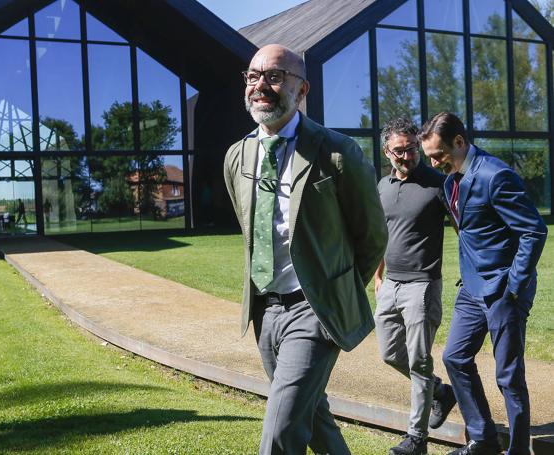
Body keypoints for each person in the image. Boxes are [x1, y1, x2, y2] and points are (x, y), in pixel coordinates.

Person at [223, 44, 387, 455]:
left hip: (313, 309)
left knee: (281, 431)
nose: (261, 85)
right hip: (264, 310)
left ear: (302, 89)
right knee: (312, 417)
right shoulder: (237, 156)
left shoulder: (336, 152)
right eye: (253, 76)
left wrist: (334, 287)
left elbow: (372, 236)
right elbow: (249, 231)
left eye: (275, 76)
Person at [419, 112, 547, 455]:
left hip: (504, 290)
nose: (433, 162)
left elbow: (533, 231)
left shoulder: (496, 175)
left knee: (508, 377)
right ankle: (483, 440)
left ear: (459, 142)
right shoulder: (450, 181)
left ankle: (518, 450)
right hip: (471, 290)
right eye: (429, 156)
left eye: (438, 155)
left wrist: (515, 285)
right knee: (455, 358)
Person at [373, 118, 457, 455]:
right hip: (390, 283)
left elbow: (462, 228)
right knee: (390, 353)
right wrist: (378, 276)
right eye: (400, 151)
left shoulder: (438, 183)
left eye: (411, 149)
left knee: (420, 360)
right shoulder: (383, 185)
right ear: (386, 151)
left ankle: (416, 439)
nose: (407, 156)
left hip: (422, 286)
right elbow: (382, 234)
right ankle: (440, 392)